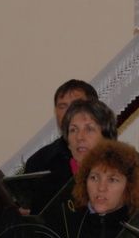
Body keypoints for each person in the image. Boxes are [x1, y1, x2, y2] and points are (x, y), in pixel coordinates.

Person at [23, 79, 99, 214]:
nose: (69, 112)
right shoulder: (38, 163)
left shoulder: (122, 159)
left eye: (76, 105)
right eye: (63, 106)